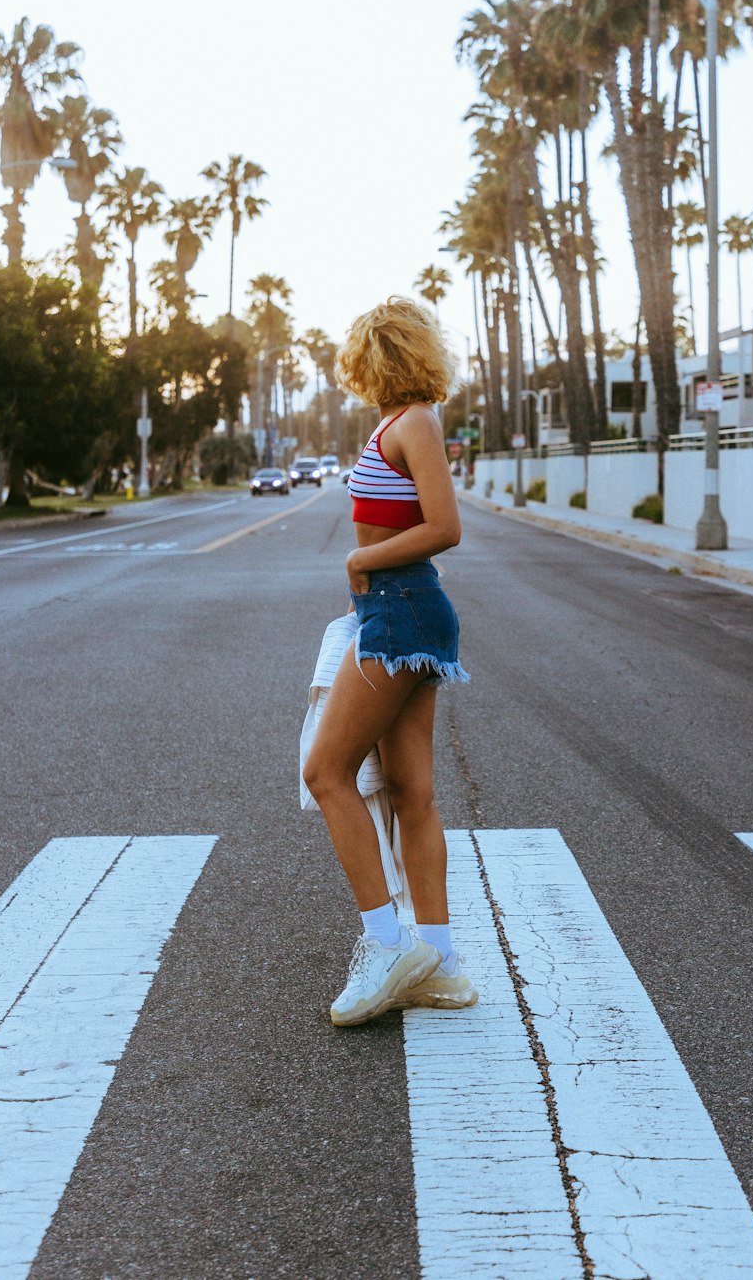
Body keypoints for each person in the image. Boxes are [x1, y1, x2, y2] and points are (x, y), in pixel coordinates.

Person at [302, 296, 477, 1027]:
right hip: (392, 611)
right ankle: (437, 962)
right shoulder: (397, 424)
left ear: (380, 356)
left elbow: (447, 527)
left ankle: (385, 944)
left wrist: (360, 557)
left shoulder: (415, 423)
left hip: (402, 609)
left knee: (326, 770)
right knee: (410, 788)